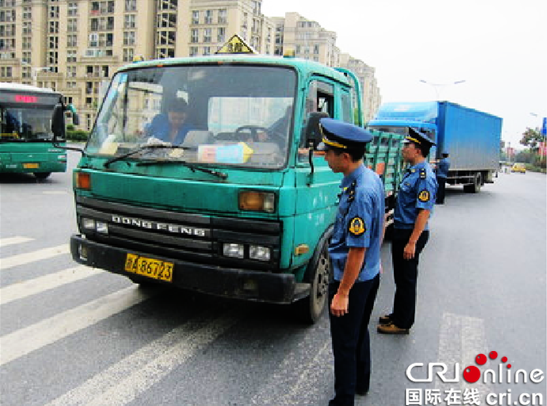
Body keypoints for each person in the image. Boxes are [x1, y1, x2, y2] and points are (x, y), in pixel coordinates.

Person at [318, 118, 385, 406]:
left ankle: (343, 400)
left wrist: (342, 292)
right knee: (358, 332)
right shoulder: (371, 178)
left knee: (344, 342)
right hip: (369, 273)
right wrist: (374, 261)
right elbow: (378, 230)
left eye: (329, 152)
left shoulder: (360, 192)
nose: (325, 156)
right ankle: (361, 382)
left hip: (352, 278)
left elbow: (357, 248)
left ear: (344, 156)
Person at [377, 128, 438, 335]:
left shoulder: (424, 176)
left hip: (412, 233)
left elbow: (423, 212)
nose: (403, 149)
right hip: (402, 230)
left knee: (407, 279)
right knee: (400, 278)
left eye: (407, 146)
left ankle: (403, 323)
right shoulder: (411, 171)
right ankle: (397, 313)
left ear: (418, 150)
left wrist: (412, 241)